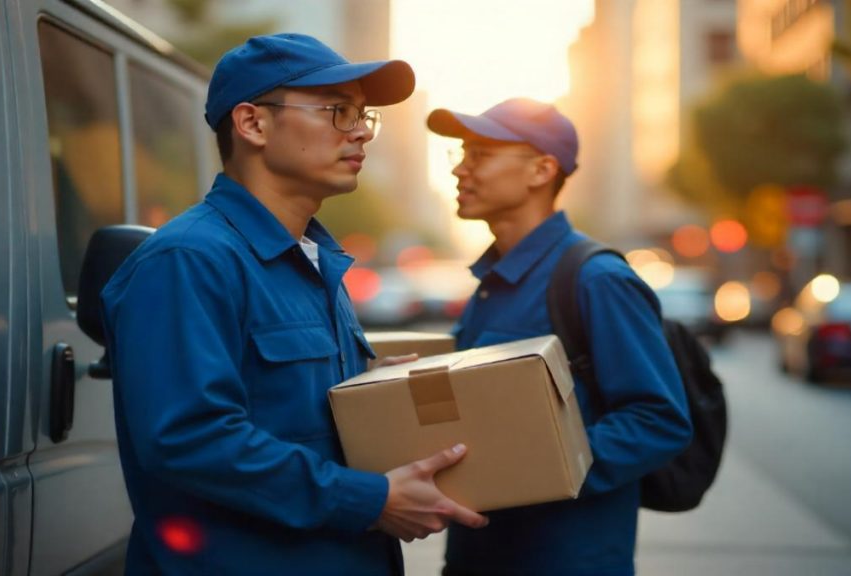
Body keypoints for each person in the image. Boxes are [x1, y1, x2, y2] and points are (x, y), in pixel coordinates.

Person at [100, 34, 488, 576]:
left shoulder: (312, 259)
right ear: (252, 123)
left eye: (363, 115)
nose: (359, 131)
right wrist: (370, 500)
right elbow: (189, 439)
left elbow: (281, 405)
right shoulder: (188, 260)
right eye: (337, 110)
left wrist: (368, 382)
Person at [426, 98, 693, 576]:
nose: (460, 171)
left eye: (480, 155)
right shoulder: (493, 282)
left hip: (565, 558)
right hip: (478, 557)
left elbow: (658, 420)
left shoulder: (596, 278)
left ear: (541, 170)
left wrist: (534, 470)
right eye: (459, 155)